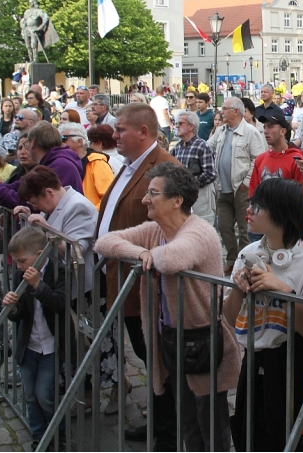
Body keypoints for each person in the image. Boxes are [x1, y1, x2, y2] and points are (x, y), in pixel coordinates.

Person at [95, 163, 240, 451]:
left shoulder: (199, 232)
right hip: (173, 340)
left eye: (153, 193)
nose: (145, 199)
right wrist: (141, 253)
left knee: (211, 424)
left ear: (177, 201)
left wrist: (150, 256)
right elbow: (105, 242)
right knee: (187, 420)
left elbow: (170, 260)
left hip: (203, 342)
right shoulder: (154, 231)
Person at [93, 103, 181, 447]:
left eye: (120, 130)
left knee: (158, 360)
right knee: (150, 359)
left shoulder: (165, 169)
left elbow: (173, 228)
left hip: (146, 285)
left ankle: (168, 430)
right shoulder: (130, 166)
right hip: (123, 279)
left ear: (143, 132)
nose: (113, 135)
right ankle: (160, 423)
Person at [225, 179, 303, 451]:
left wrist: (284, 291)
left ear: (283, 212)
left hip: (294, 362)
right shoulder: (249, 253)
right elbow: (230, 318)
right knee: (249, 433)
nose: (250, 209)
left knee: (286, 435)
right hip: (254, 361)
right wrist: (239, 289)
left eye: (260, 205)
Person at [1, 226, 67, 448]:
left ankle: (59, 433)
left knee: (44, 395)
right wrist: (11, 307)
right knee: (30, 395)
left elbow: (60, 304)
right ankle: (39, 436)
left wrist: (38, 286)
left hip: (50, 346)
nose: (18, 266)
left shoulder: (59, 271)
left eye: (21, 261)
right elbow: (19, 315)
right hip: (28, 345)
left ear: (39, 256)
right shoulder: (19, 274)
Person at [207, 97, 266, 273]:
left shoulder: (250, 132)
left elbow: (258, 159)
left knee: (244, 228)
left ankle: (245, 263)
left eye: (225, 108)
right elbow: (208, 147)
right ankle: (232, 259)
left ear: (236, 111)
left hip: (241, 189)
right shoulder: (221, 131)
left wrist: (246, 183)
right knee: (223, 226)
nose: (221, 111)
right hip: (222, 188)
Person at [171, 110, 218, 222]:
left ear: (191, 126)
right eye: (176, 123)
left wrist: (189, 184)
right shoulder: (177, 147)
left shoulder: (201, 146)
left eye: (180, 123)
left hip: (200, 198)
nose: (176, 126)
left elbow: (210, 174)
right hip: (182, 198)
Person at [58, 122, 113, 210]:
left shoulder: (97, 162)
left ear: (79, 142)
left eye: (63, 139)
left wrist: (90, 215)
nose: (59, 143)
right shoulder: (64, 163)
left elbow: (109, 197)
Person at [248, 114, 303, 195]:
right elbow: (253, 190)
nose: (265, 131)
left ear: (283, 131)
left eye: (270, 127)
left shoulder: (296, 160)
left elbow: (301, 193)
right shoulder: (260, 159)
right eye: (265, 127)